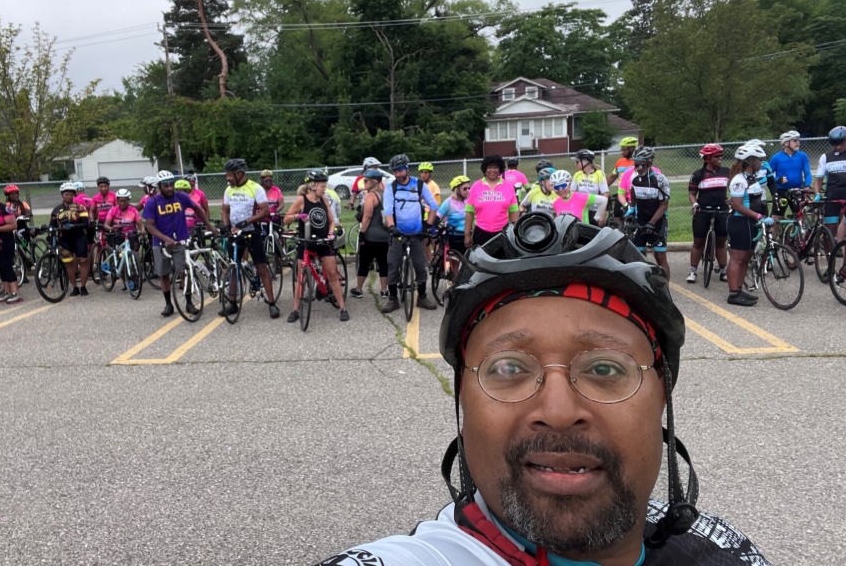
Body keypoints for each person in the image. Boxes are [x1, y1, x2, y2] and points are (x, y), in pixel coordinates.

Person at [319, 212, 771, 566]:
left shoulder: (722, 547)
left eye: (606, 368)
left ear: (663, 394)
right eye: (508, 367)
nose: (557, 411)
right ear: (461, 401)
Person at [144, 170, 213, 317]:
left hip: (180, 240)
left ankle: (189, 302)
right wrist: (165, 238)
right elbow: (149, 226)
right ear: (159, 186)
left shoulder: (181, 197)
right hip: (161, 243)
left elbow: (198, 209)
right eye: (166, 186)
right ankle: (168, 304)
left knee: (184, 271)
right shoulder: (152, 202)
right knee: (164, 274)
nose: (170, 188)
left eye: (171, 184)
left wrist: (208, 225)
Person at [284, 170, 349, 322]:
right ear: (313, 186)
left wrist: (331, 233)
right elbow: (286, 219)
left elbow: (331, 222)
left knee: (332, 274)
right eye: (322, 186)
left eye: (325, 186)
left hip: (324, 241)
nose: (324, 189)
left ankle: (342, 308)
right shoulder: (301, 200)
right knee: (300, 277)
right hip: (306, 242)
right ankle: (295, 310)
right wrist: (298, 216)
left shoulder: (324, 200)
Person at [220, 159, 279, 319]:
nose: (227, 178)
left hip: (252, 231)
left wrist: (246, 222)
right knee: (233, 267)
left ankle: (272, 303)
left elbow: (265, 211)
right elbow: (224, 210)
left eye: (229, 175)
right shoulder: (229, 190)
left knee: (261, 267)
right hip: (235, 233)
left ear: (239, 174)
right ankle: (232, 303)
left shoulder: (255, 188)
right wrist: (226, 225)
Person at [382, 154, 439, 313]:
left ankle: (422, 297)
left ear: (407, 169)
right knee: (393, 265)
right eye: (395, 171)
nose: (398, 174)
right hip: (397, 233)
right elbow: (388, 210)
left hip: (416, 234)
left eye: (400, 170)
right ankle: (393, 299)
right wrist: (391, 226)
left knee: (420, 266)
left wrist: (428, 225)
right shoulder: (391, 188)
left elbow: (433, 205)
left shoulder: (419, 184)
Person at [726, 145, 774, 307]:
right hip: (740, 222)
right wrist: (759, 216)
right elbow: (737, 205)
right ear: (751, 162)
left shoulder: (751, 178)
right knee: (737, 258)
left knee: (746, 258)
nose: (762, 163)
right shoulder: (739, 180)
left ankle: (739, 289)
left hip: (751, 222)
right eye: (759, 160)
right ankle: (733, 293)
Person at [815, 125, 846, 280]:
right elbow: (819, 179)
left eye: (840, 144)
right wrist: (817, 194)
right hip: (832, 196)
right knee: (830, 230)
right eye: (834, 144)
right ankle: (830, 266)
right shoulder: (826, 156)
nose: (837, 147)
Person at [686, 144, 730, 284]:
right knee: (698, 242)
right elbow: (692, 194)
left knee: (721, 243)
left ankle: (723, 270)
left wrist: (732, 199)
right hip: (703, 210)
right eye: (717, 156)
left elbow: (736, 188)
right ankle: (693, 271)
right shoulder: (698, 174)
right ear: (708, 158)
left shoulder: (726, 172)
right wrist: (695, 204)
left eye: (721, 156)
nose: (720, 158)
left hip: (722, 210)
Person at [627, 146, 672, 280]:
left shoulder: (660, 180)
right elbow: (633, 192)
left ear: (649, 163)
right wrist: (632, 208)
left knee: (660, 257)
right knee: (639, 257)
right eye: (635, 165)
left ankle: (665, 287)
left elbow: (663, 206)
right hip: (641, 220)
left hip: (657, 222)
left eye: (641, 165)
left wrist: (651, 223)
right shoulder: (634, 178)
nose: (638, 168)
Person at [465, 155, 519, 250]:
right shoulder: (476, 186)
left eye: (495, 167)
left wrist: (515, 233)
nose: (492, 170)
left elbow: (514, 210)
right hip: (481, 232)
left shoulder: (508, 186)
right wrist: (467, 235)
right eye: (489, 167)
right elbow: (469, 212)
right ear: (484, 169)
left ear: (500, 169)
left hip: (503, 232)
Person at [352, 169, 391, 299]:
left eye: (366, 181)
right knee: (383, 263)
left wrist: (362, 233)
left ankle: (358, 289)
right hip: (385, 235)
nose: (364, 183)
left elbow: (367, 216)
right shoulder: (386, 195)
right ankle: (384, 290)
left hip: (371, 235)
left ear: (374, 182)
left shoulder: (370, 196)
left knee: (364, 262)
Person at [50, 182, 92, 298]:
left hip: (79, 237)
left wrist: (73, 226)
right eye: (66, 194)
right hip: (64, 239)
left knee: (83, 262)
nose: (68, 196)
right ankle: (75, 287)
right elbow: (52, 224)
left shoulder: (80, 207)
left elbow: (85, 224)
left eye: (71, 194)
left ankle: (83, 286)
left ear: (74, 195)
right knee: (68, 264)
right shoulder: (56, 209)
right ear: (62, 195)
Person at [770, 131, 812, 218]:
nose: (798, 143)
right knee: (776, 217)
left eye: (798, 140)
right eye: (795, 141)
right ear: (786, 143)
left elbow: (807, 173)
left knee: (800, 217)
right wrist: (778, 179)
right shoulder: (776, 158)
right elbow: (768, 175)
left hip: (797, 191)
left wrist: (807, 185)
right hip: (782, 191)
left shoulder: (802, 156)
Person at [570, 150, 610, 224]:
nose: (575, 164)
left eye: (577, 161)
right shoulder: (577, 175)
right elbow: (571, 194)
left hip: (595, 211)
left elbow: (605, 194)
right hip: (581, 210)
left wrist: (603, 213)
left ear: (585, 161)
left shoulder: (599, 174)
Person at [434, 176, 470, 255]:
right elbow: (436, 218)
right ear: (457, 189)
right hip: (452, 236)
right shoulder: (448, 202)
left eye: (469, 188)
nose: (468, 191)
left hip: (467, 235)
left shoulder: (469, 201)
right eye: (465, 189)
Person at [743, 139, 776, 219]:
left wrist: (775, 196)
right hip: (748, 204)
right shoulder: (743, 167)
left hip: (762, 202)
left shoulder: (765, 165)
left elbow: (771, 183)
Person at [418, 163, 441, 262]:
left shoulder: (433, 186)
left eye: (426, 172)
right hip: (421, 217)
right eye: (422, 172)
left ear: (430, 174)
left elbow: (437, 203)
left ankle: (438, 261)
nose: (423, 175)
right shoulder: (420, 184)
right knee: (425, 242)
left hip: (430, 217)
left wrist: (427, 208)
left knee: (434, 241)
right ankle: (429, 261)